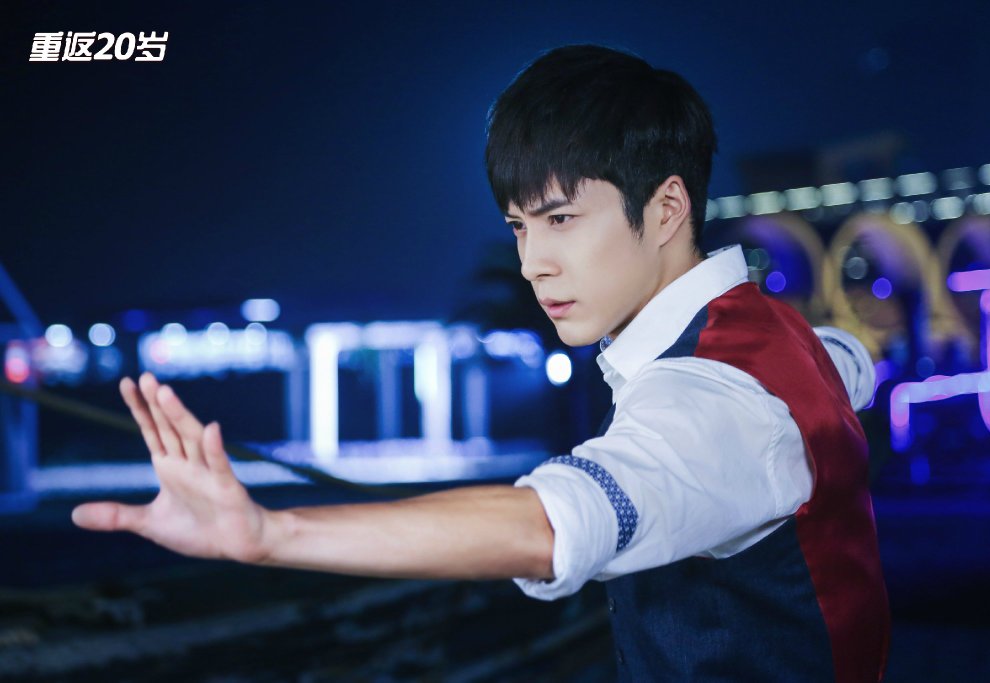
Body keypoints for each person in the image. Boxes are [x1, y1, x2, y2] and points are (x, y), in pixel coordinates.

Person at [72, 44, 889, 681]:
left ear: (668, 206)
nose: (533, 263)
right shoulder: (781, 339)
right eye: (519, 228)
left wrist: (269, 532)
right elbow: (852, 363)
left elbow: (550, 526)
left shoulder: (710, 398)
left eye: (561, 219)